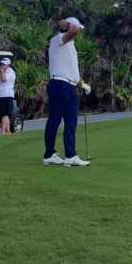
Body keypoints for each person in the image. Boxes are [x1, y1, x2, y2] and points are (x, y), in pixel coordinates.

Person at [43, 16, 92, 167]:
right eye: (78, 28)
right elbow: (74, 30)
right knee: (55, 120)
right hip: (59, 84)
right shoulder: (57, 40)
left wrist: (82, 83)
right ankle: (49, 155)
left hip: (71, 87)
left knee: (71, 122)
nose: (79, 32)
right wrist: (69, 24)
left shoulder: (71, 45)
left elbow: (72, 70)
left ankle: (70, 156)